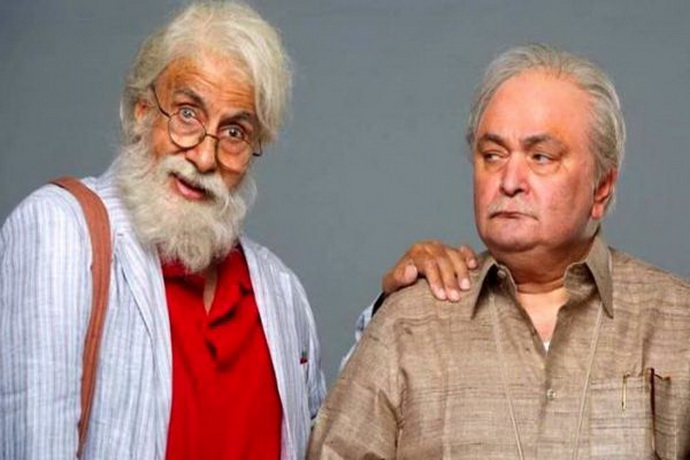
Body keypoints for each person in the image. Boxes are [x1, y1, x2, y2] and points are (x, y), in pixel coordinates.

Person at [0, 3, 478, 459]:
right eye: (187, 113)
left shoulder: (279, 290)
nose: (204, 156)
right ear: (143, 112)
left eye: (234, 133)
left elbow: (330, 443)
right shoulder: (62, 232)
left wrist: (393, 305)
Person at [308, 43, 690, 459]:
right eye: (492, 156)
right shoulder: (410, 322)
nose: (509, 182)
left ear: (602, 188)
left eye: (541, 157)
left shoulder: (676, 322)